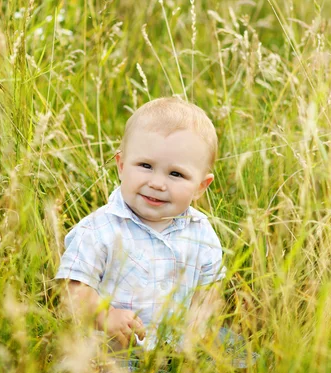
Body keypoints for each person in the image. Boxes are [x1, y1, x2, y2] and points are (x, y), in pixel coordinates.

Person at [55, 97, 225, 353]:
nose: (157, 183)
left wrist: (198, 329)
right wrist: (105, 315)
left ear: (201, 187)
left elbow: (208, 293)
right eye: (145, 166)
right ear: (122, 166)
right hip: (113, 352)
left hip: (175, 352)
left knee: (239, 354)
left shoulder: (201, 233)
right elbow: (73, 291)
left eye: (176, 174)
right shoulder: (98, 230)